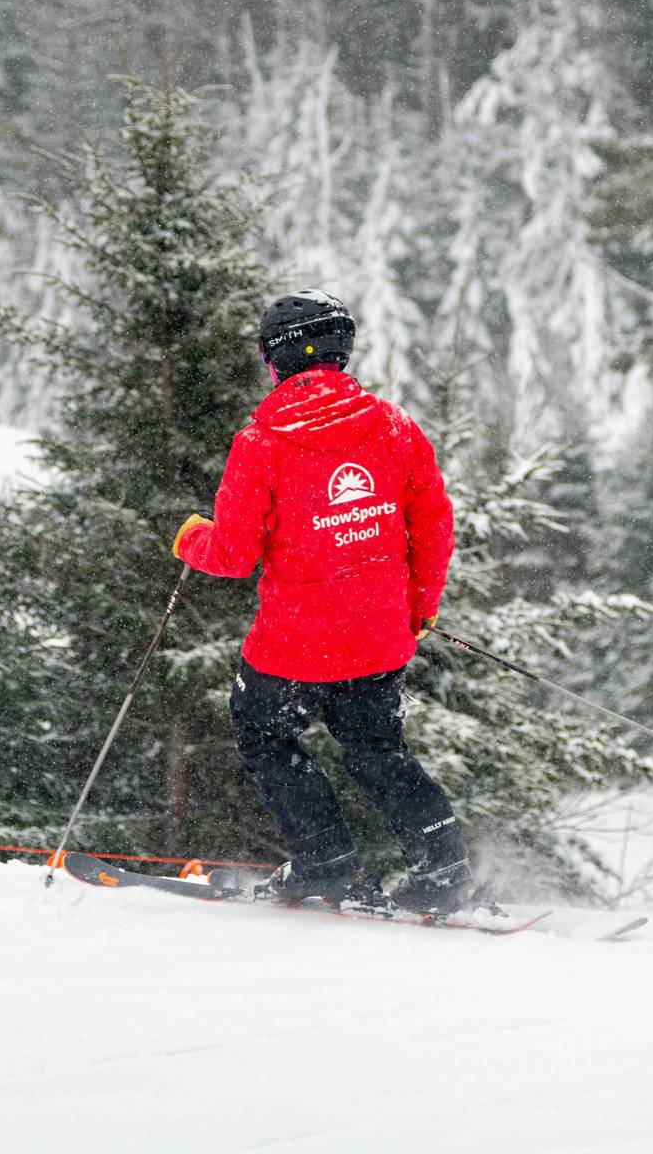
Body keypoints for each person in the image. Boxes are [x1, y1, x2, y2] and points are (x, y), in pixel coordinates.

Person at [171, 289, 472, 913]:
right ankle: (443, 869)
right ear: (341, 351)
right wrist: (421, 607)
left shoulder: (261, 443)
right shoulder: (393, 426)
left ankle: (325, 861)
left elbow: (231, 554)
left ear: (274, 359)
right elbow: (433, 524)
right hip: (378, 635)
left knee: (264, 737)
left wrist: (190, 538)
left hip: (293, 645)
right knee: (376, 748)